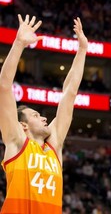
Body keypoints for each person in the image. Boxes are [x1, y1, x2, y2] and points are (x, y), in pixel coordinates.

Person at [0, 14, 88, 213]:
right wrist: (19, 43)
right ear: (23, 125)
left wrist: (82, 50)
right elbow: (4, 87)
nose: (44, 118)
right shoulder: (16, 142)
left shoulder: (54, 146)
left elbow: (69, 93)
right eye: (36, 115)